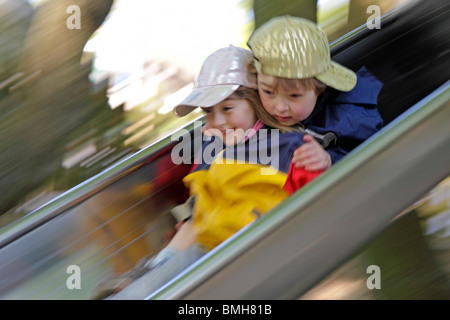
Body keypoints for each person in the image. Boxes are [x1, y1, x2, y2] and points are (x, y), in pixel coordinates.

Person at [104, 45, 322, 299]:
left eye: (227, 108)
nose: (217, 121)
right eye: (208, 112)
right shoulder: (212, 148)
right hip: (206, 256)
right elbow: (198, 219)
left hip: (254, 261)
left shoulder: (290, 148)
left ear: (255, 100)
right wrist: (158, 266)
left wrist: (323, 160)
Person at [247, 15, 384, 172]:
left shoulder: (352, 119)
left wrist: (329, 159)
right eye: (269, 92)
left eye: (294, 96)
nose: (280, 107)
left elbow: (374, 161)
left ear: (321, 87)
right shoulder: (253, 105)